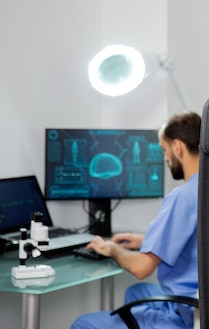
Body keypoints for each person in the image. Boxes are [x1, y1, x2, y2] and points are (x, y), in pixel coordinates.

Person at [71, 111, 202, 329]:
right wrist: (146, 241)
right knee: (135, 292)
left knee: (83, 324)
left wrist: (112, 249)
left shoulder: (182, 196)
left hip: (189, 312)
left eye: (164, 150)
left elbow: (142, 269)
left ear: (178, 147)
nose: (165, 158)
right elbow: (202, 238)